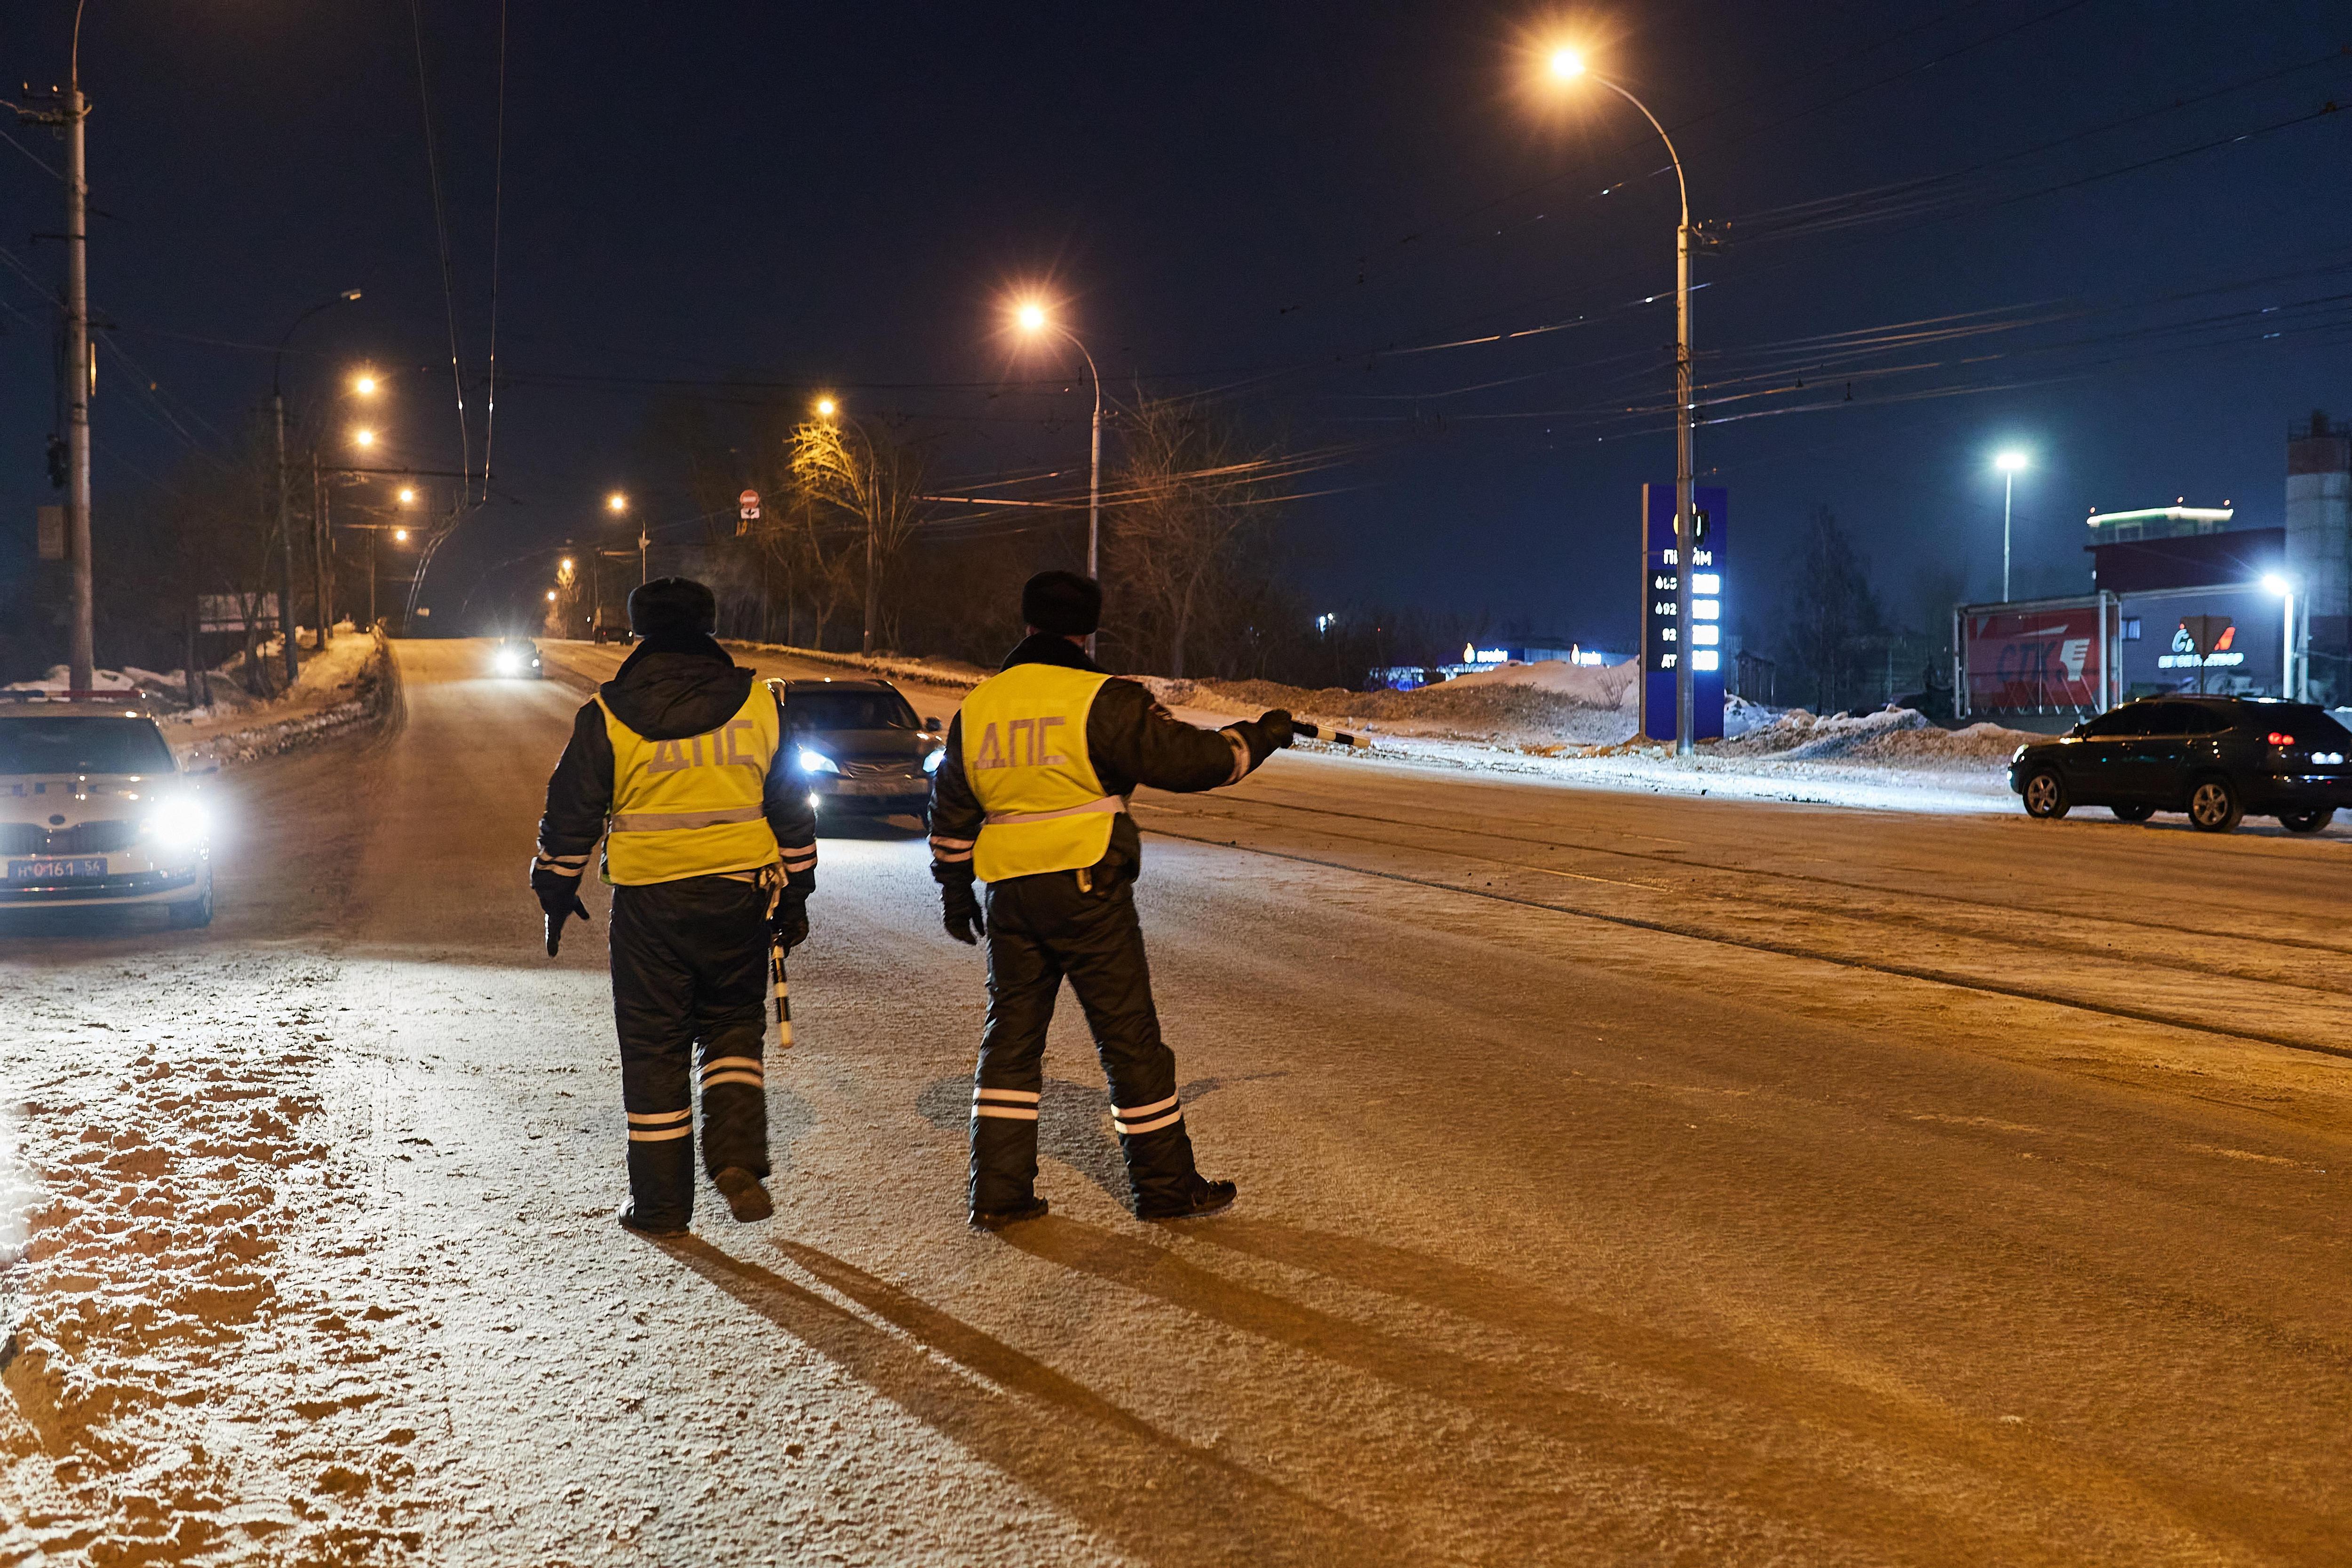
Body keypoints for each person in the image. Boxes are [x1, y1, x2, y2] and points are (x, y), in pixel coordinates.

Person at [927, 570, 1294, 1228]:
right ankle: (1164, 1188)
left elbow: (951, 810)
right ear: (1087, 630)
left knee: (1010, 1042)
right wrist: (1258, 735)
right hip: (1089, 889)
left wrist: (956, 892)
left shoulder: (979, 707)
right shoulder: (1103, 698)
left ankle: (1000, 1194)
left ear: (1027, 623)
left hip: (1011, 894)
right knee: (1129, 1042)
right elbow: (1194, 762)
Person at [531, 577, 816, 1235]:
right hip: (738, 899)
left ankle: (661, 1206)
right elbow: (792, 809)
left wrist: (556, 887)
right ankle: (738, 1160)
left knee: (655, 1047)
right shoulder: (760, 705)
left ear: (637, 632)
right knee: (732, 1030)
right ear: (708, 626)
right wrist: (796, 893)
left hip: (649, 911)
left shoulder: (608, 713)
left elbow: (571, 813)